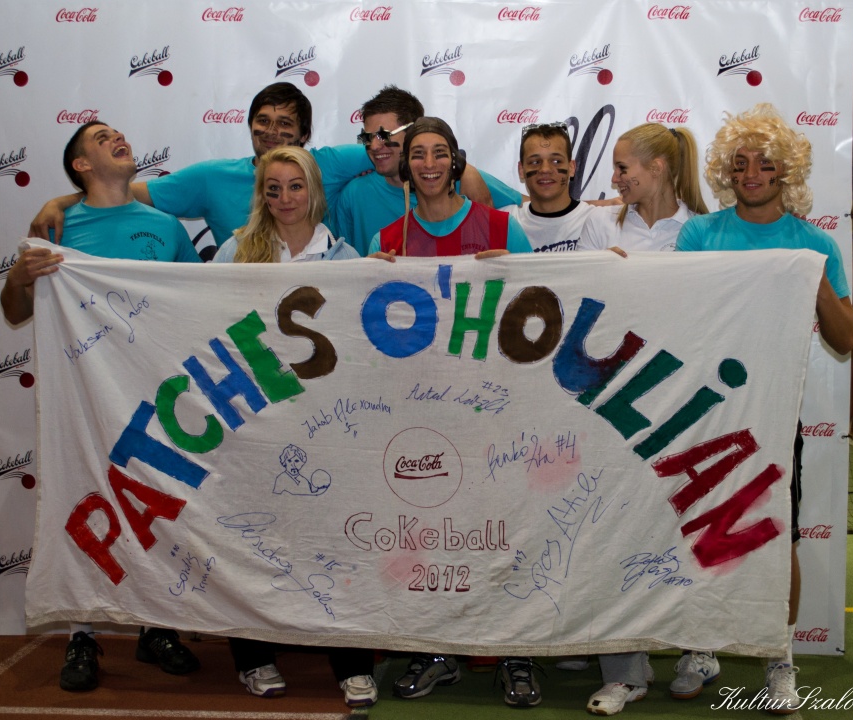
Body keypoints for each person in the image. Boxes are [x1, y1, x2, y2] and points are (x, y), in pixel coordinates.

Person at [0, 121, 203, 691]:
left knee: (154, 502)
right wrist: (17, 276)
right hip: (83, 395)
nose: (118, 138)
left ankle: (156, 627)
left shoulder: (166, 226)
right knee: (82, 500)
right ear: (81, 165)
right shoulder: (56, 228)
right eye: (101, 137)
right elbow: (15, 310)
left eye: (118, 132)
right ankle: (82, 634)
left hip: (153, 394)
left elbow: (198, 302)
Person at [675, 103, 853, 713]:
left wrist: (814, 277)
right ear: (728, 171)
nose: (752, 173)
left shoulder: (814, 243)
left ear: (787, 171)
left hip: (776, 412)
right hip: (705, 410)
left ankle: (780, 658)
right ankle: (701, 647)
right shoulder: (699, 235)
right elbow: (679, 319)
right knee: (701, 529)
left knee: (779, 538)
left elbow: (846, 339)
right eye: (741, 162)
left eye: (766, 163)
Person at [367, 116, 534, 706]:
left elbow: (546, 305)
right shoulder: (389, 239)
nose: (429, 164)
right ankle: (436, 649)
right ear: (405, 165)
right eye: (418, 154)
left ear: (456, 160)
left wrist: (518, 273)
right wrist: (370, 282)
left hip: (496, 411)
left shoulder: (501, 227)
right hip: (423, 416)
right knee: (433, 533)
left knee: (507, 530)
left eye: (440, 153)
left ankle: (517, 653)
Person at [213, 145, 377, 708]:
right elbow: (199, 319)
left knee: (338, 538)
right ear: (261, 195)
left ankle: (352, 663)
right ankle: (254, 658)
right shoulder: (235, 251)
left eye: (295, 186)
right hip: (253, 422)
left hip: (326, 421)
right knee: (251, 538)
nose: (284, 198)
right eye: (273, 188)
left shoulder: (346, 257)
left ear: (315, 191)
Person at [574, 121, 707, 717]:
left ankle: (698, 647)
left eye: (625, 167)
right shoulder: (599, 224)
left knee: (687, 527)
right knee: (614, 528)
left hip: (678, 399)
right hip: (613, 399)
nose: (616, 177)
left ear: (659, 168)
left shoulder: (701, 231)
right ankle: (624, 670)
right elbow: (574, 294)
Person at [29, 82, 372, 257]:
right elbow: (118, 190)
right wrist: (60, 202)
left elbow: (390, 151)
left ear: (305, 135)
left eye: (284, 123)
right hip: (246, 306)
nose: (271, 131)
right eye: (263, 120)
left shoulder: (330, 164)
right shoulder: (211, 178)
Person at [335, 85, 521, 255]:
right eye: (368, 138)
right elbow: (348, 262)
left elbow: (528, 207)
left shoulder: (457, 176)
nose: (375, 146)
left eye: (384, 135)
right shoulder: (353, 195)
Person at [578, 123, 708, 256]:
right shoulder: (599, 222)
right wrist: (600, 263)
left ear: (655, 168)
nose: (614, 179)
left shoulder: (701, 231)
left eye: (622, 168)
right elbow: (579, 270)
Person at [502, 121, 595, 252]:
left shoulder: (595, 221)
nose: (545, 169)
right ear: (521, 170)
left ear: (572, 167)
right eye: (535, 162)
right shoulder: (504, 222)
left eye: (556, 161)